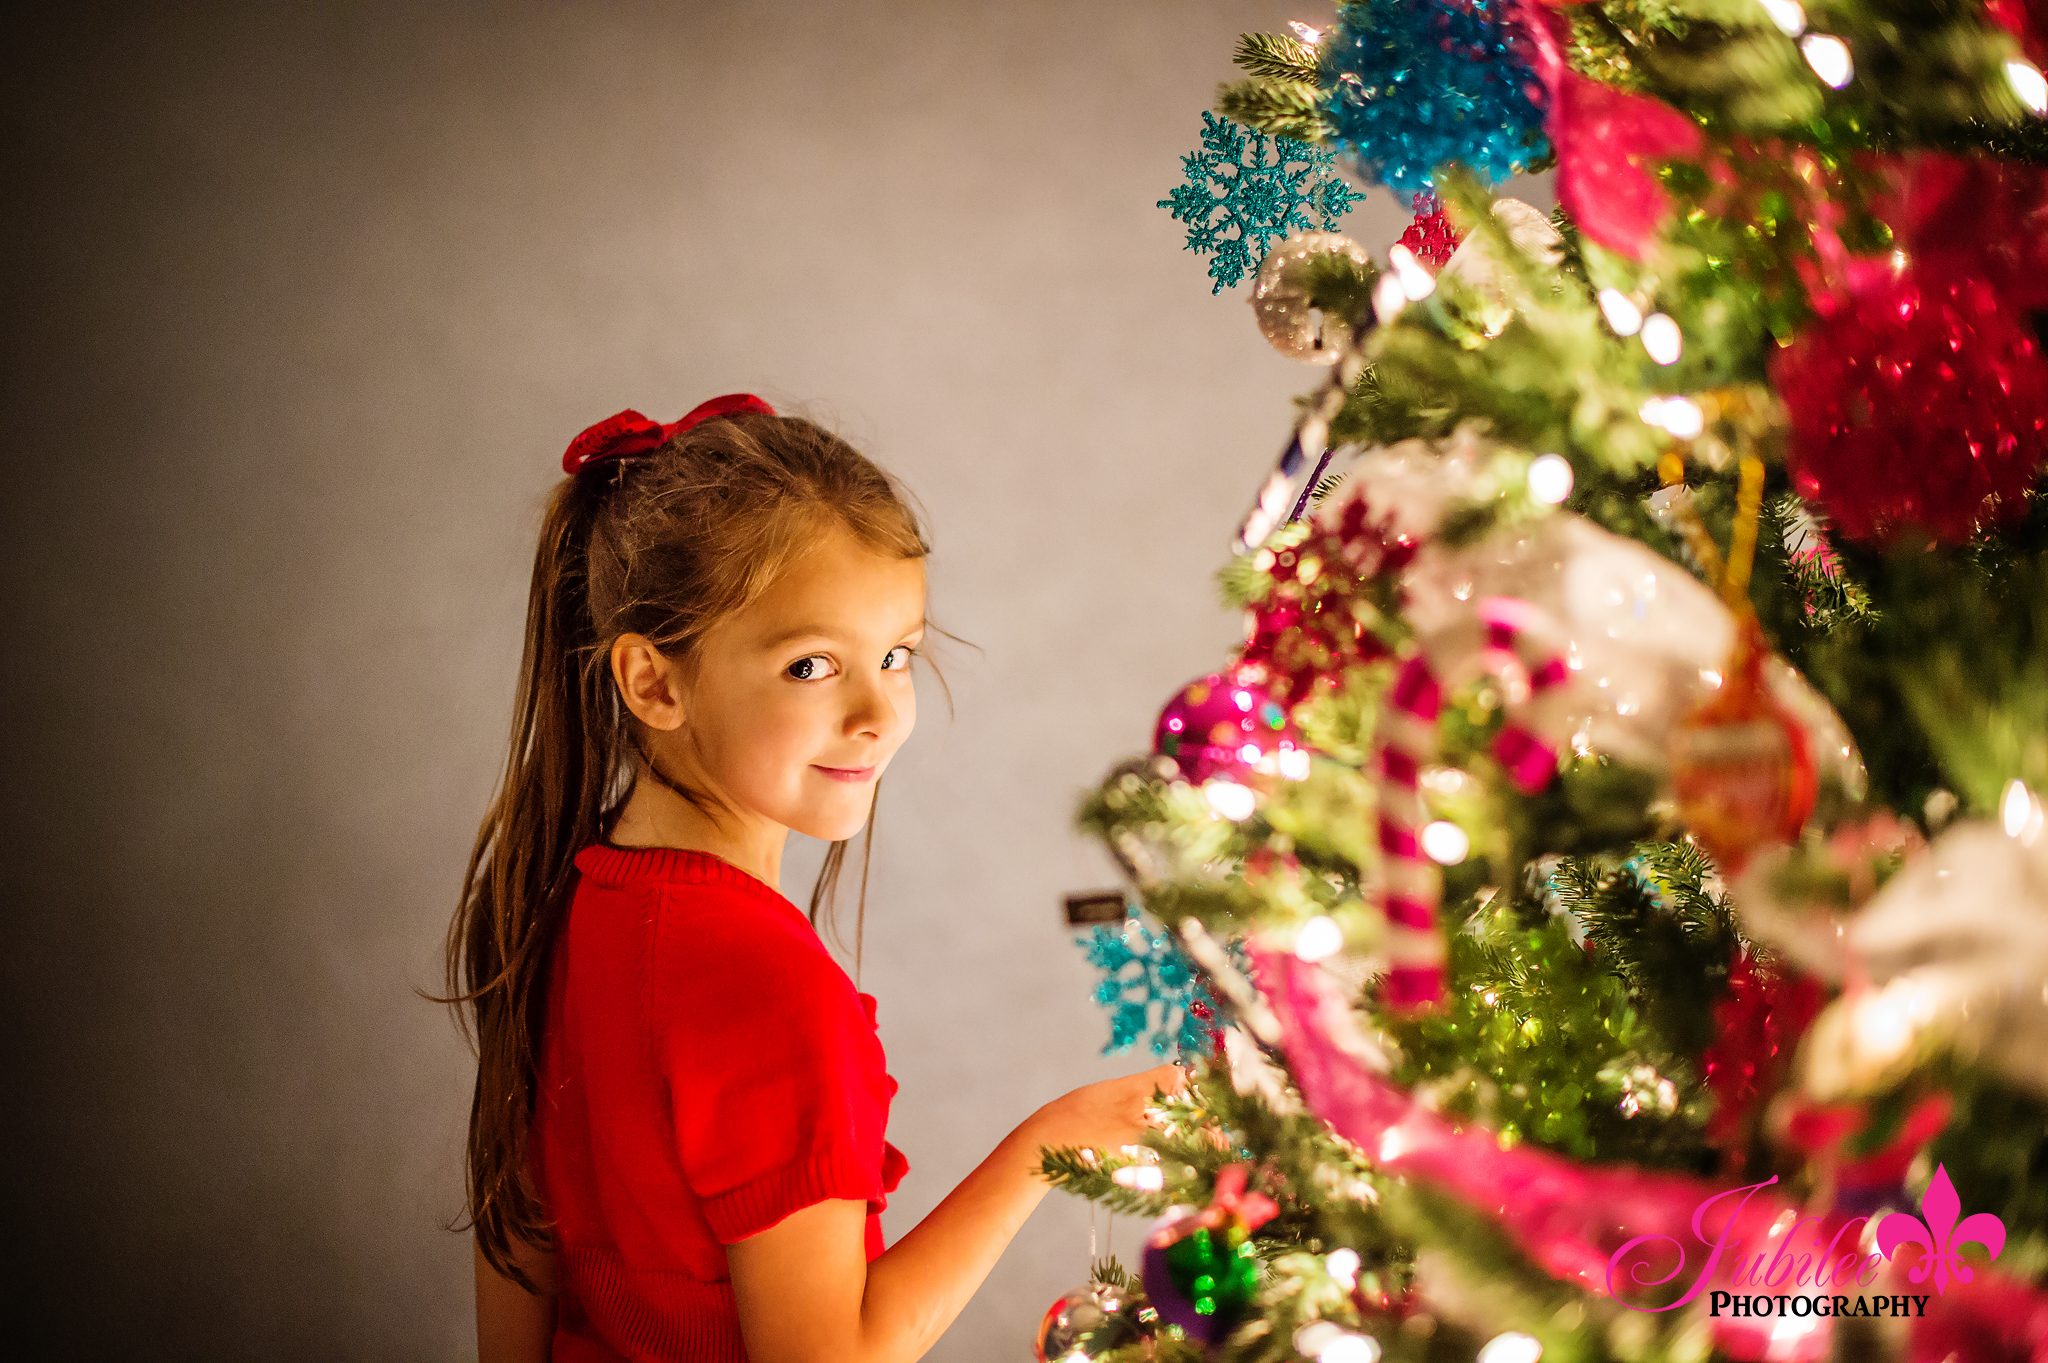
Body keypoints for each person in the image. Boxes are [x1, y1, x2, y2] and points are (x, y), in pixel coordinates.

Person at [446, 395, 1181, 1363]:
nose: (879, 710)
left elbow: (517, 1268)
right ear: (653, 681)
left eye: (896, 655)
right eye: (810, 667)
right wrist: (1054, 1140)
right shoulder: (769, 987)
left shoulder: (570, 902)